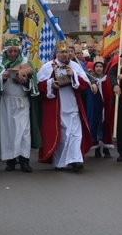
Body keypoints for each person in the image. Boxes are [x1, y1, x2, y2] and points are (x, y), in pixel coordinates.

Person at [36, 41, 93, 171]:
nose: (64, 54)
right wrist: (51, 83)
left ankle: (76, 160)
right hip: (56, 107)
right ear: (57, 53)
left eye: (66, 52)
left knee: (75, 134)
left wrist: (73, 76)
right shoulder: (47, 67)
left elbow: (84, 84)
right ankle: (61, 162)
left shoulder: (75, 66)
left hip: (73, 105)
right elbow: (39, 86)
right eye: (61, 52)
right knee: (62, 135)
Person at [0, 37, 41, 173]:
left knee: (24, 132)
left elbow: (33, 85)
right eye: (10, 51)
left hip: (22, 102)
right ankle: (10, 161)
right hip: (6, 103)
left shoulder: (26, 63)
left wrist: (25, 82)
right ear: (5, 52)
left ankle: (24, 161)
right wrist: (3, 78)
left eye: (14, 51)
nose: (12, 54)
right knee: (8, 132)